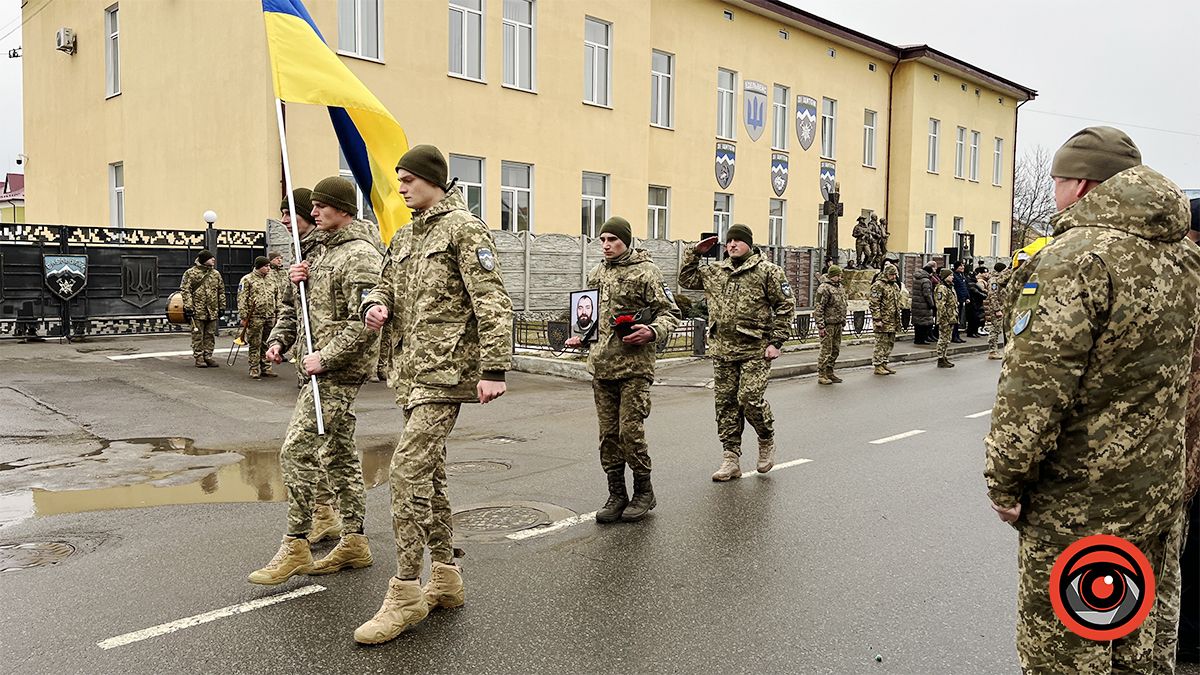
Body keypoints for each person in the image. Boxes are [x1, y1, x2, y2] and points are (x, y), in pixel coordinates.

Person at [984, 127, 1200, 672]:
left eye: (1057, 181)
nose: (1055, 192)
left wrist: (1005, 481)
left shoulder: (1076, 257)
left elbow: (1034, 389)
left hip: (1081, 503)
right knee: (1139, 643)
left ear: (1080, 184)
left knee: (1067, 649)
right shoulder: (1180, 258)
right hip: (1157, 493)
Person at [355, 145, 513, 645]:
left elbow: (491, 299)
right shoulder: (402, 236)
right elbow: (383, 286)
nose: (400, 188)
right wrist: (374, 306)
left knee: (405, 470)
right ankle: (445, 578)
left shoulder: (463, 228)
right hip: (408, 372)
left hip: (446, 374)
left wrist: (494, 367)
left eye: (408, 180)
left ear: (433, 181)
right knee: (433, 475)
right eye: (398, 180)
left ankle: (404, 593)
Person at [249, 176, 382, 587]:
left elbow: (366, 323)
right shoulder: (322, 252)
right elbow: (300, 309)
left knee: (295, 452)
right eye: (315, 206)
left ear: (342, 209)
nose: (314, 212)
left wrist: (324, 357)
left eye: (322, 206)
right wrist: (283, 334)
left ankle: (297, 543)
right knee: (339, 455)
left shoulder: (359, 255)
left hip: (339, 369)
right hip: (317, 367)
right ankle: (355, 541)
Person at [565, 216, 680, 520]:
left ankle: (644, 491)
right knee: (608, 435)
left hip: (635, 367)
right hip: (602, 368)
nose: (606, 245)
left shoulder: (647, 272)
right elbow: (589, 315)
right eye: (602, 240)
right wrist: (582, 335)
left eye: (612, 240)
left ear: (626, 241)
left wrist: (653, 331)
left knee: (630, 433)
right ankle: (616, 494)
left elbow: (670, 313)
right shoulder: (597, 272)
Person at [679, 224, 794, 481]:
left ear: (749, 244)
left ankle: (766, 439)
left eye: (738, 241)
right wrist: (694, 253)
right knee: (726, 405)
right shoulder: (717, 271)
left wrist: (776, 341)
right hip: (722, 349)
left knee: (749, 398)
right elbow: (686, 280)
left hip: (755, 349)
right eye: (729, 241)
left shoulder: (768, 272)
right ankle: (731, 458)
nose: (732, 245)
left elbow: (786, 306)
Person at [179, 250, 226, 368]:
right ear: (204, 259)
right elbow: (185, 291)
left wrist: (222, 306)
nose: (213, 260)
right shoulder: (190, 273)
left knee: (210, 334)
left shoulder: (216, 274)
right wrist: (189, 307)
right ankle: (199, 357)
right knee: (198, 334)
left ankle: (208, 356)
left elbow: (221, 291)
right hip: (197, 310)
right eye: (211, 258)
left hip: (212, 309)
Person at [236, 256, 280, 379]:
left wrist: (278, 312)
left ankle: (266, 367)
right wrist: (244, 316)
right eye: (266, 266)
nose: (268, 269)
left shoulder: (272, 280)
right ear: (259, 267)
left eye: (269, 266)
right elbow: (242, 299)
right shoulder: (247, 279)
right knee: (255, 343)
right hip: (255, 317)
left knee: (267, 343)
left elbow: (277, 296)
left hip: (269, 315)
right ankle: (254, 368)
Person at [813, 265, 847, 385]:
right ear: (832, 275)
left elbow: (843, 304)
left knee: (835, 350)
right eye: (838, 275)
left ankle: (830, 371)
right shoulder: (824, 288)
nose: (840, 277)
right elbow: (819, 308)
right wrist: (821, 326)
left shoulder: (840, 287)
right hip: (828, 324)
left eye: (840, 275)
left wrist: (843, 319)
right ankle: (822, 374)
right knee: (826, 350)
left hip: (838, 323)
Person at [868, 262, 901, 376]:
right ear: (887, 274)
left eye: (895, 275)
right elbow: (874, 303)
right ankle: (877, 365)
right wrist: (877, 319)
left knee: (889, 343)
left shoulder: (894, 286)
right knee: (880, 343)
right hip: (882, 320)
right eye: (892, 275)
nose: (894, 277)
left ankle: (884, 362)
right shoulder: (878, 285)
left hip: (892, 320)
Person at [985, 262, 1010, 359]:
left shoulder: (1000, 279)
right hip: (997, 308)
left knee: (998, 329)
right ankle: (992, 351)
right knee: (995, 329)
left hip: (1002, 307)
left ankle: (995, 350)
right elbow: (993, 295)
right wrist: (996, 309)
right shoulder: (994, 280)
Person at [933, 268, 957, 368]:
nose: (952, 277)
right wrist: (944, 318)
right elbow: (940, 304)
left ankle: (944, 356)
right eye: (950, 275)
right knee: (943, 338)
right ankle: (940, 358)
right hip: (945, 318)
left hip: (951, 316)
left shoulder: (950, 287)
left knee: (947, 339)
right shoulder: (942, 288)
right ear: (945, 277)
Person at [910, 262, 936, 345]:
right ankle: (922, 339)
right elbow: (927, 294)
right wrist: (932, 304)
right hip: (924, 305)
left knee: (917, 323)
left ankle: (917, 339)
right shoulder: (926, 281)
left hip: (916, 304)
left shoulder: (916, 278)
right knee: (925, 324)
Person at [950, 261, 969, 343]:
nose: (963, 268)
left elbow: (964, 288)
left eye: (963, 266)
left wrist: (967, 297)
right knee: (955, 319)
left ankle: (957, 335)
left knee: (958, 319)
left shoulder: (962, 276)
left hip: (962, 300)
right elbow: (956, 289)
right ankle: (954, 336)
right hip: (957, 300)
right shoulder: (954, 276)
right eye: (961, 266)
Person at [967, 266, 989, 338]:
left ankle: (975, 331)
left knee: (976, 318)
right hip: (973, 302)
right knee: (973, 319)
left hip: (976, 303)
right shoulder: (972, 283)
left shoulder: (974, 282)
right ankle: (972, 332)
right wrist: (984, 295)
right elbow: (977, 292)